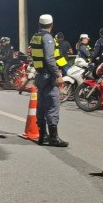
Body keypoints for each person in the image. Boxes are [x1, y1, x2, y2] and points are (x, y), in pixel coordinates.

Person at [29, 14, 68, 147]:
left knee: (41, 105)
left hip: (40, 75)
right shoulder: (47, 38)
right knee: (52, 105)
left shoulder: (35, 37)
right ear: (51, 24)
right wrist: (58, 75)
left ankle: (42, 136)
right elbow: (50, 58)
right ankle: (53, 138)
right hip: (48, 76)